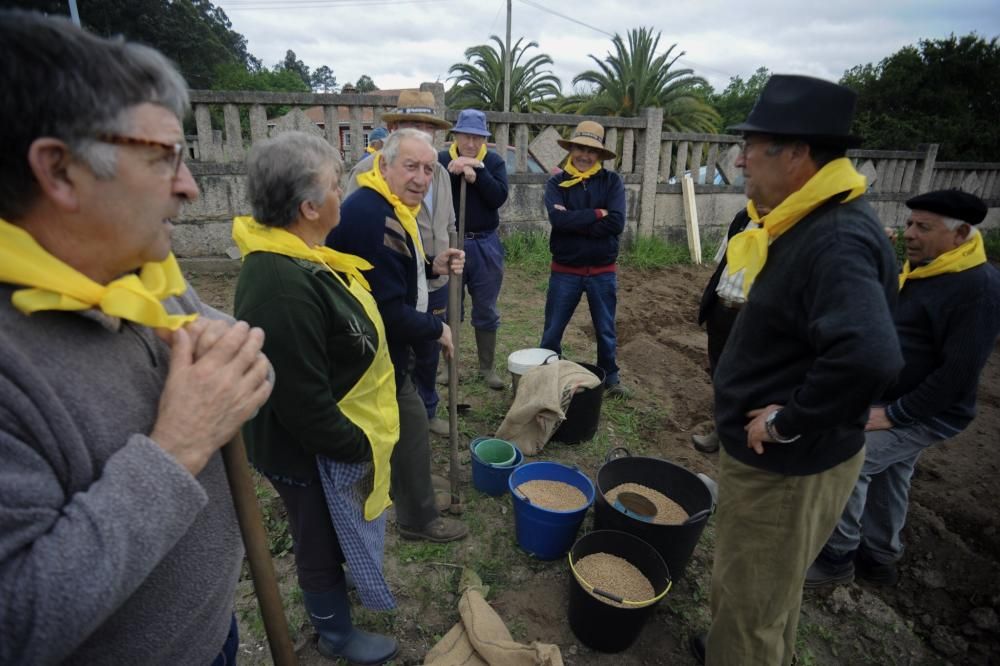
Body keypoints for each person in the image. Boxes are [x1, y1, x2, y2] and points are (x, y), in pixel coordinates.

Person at [0, 11, 273, 664]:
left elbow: (235, 354)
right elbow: (19, 623)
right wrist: (179, 446)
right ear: (60, 170)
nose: (189, 185)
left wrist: (243, 368)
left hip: (209, 633)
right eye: (162, 158)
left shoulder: (142, 269)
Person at [693, 74, 904, 666]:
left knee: (751, 601)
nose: (740, 161)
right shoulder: (801, 221)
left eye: (753, 147)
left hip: (784, 467)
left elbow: (871, 355)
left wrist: (789, 420)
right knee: (762, 593)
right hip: (778, 461)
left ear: (799, 155)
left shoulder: (833, 238)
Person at [232, 131, 400, 663]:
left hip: (326, 434)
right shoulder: (281, 281)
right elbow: (302, 401)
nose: (342, 195)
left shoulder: (304, 256)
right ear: (310, 207)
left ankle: (335, 603)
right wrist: (356, 445)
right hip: (302, 449)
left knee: (327, 530)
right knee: (317, 538)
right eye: (335, 185)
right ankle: (334, 634)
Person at [806, 189, 1000, 588]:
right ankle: (878, 557)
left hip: (927, 410)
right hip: (891, 398)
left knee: (848, 460)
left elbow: (956, 376)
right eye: (910, 223)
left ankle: (836, 558)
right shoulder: (925, 269)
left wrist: (894, 415)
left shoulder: (976, 288)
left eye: (923, 227)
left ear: (961, 233)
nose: (909, 233)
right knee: (891, 471)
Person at [331, 128, 468, 543]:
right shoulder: (373, 215)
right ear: (384, 165)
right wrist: (437, 327)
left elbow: (392, 272)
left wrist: (432, 266)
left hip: (372, 345)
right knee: (410, 424)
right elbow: (389, 311)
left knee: (404, 425)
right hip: (367, 350)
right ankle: (418, 519)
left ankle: (411, 494)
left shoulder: (386, 205)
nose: (422, 178)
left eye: (428, 169)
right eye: (411, 167)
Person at [346, 90, 456, 437]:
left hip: (426, 278)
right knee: (396, 365)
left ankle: (425, 413)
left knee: (424, 359)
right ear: (394, 129)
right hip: (386, 302)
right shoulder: (370, 180)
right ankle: (402, 429)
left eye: (428, 126)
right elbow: (369, 241)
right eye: (411, 124)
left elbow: (446, 221)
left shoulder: (437, 170)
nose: (421, 177)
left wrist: (433, 263)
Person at [540, 120, 631, 399]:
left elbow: (616, 223)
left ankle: (611, 378)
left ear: (599, 156)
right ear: (572, 149)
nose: (584, 155)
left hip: (602, 271)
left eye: (592, 151)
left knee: (605, 329)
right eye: (580, 148)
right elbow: (558, 219)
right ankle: (546, 374)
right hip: (565, 270)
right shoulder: (557, 182)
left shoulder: (611, 181)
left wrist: (574, 220)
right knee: (553, 328)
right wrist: (597, 214)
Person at [437, 108, 510, 389]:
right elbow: (431, 194)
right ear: (455, 135)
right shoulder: (442, 160)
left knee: (486, 306)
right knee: (449, 308)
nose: (470, 143)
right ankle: (448, 368)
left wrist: (476, 174)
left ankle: (487, 368)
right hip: (451, 242)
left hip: (484, 244)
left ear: (484, 140)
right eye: (466, 136)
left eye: (477, 138)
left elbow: (498, 198)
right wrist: (452, 171)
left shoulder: (494, 162)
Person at [691, 204, 764, 453]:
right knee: (721, 376)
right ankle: (721, 431)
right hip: (723, 309)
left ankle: (744, 438)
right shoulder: (744, 217)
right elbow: (724, 261)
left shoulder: (791, 227)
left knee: (750, 380)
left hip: (754, 316)